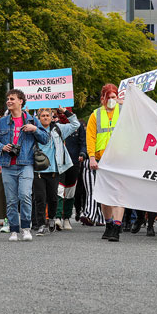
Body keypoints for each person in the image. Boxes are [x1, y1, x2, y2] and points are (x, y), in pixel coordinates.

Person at [0, 89, 50, 243]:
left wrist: (35, 129)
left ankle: (26, 228)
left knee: (24, 196)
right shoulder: (2, 122)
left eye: (12, 99)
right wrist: (2, 147)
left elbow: (45, 138)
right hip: (7, 165)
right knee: (11, 200)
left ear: (20, 101)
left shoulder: (31, 120)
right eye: (7, 99)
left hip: (26, 164)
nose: (8, 101)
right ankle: (13, 230)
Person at [33, 107, 80, 235]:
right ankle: (41, 224)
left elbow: (76, 124)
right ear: (38, 118)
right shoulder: (34, 129)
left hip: (54, 170)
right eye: (42, 115)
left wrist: (65, 111)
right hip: (38, 171)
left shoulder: (58, 128)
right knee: (40, 198)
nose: (45, 117)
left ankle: (52, 218)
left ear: (52, 116)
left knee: (53, 198)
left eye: (48, 115)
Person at [86, 84, 124, 242]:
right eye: (108, 97)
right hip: (102, 160)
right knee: (105, 196)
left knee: (118, 195)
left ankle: (116, 226)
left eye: (114, 97)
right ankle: (108, 224)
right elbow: (91, 137)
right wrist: (92, 157)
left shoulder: (123, 111)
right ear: (102, 98)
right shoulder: (95, 115)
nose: (111, 100)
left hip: (120, 159)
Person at [56, 112, 87, 231]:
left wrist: (82, 153)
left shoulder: (77, 125)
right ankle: (58, 216)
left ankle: (67, 218)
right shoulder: (55, 126)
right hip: (59, 162)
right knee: (59, 189)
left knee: (70, 191)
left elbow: (82, 141)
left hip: (73, 161)